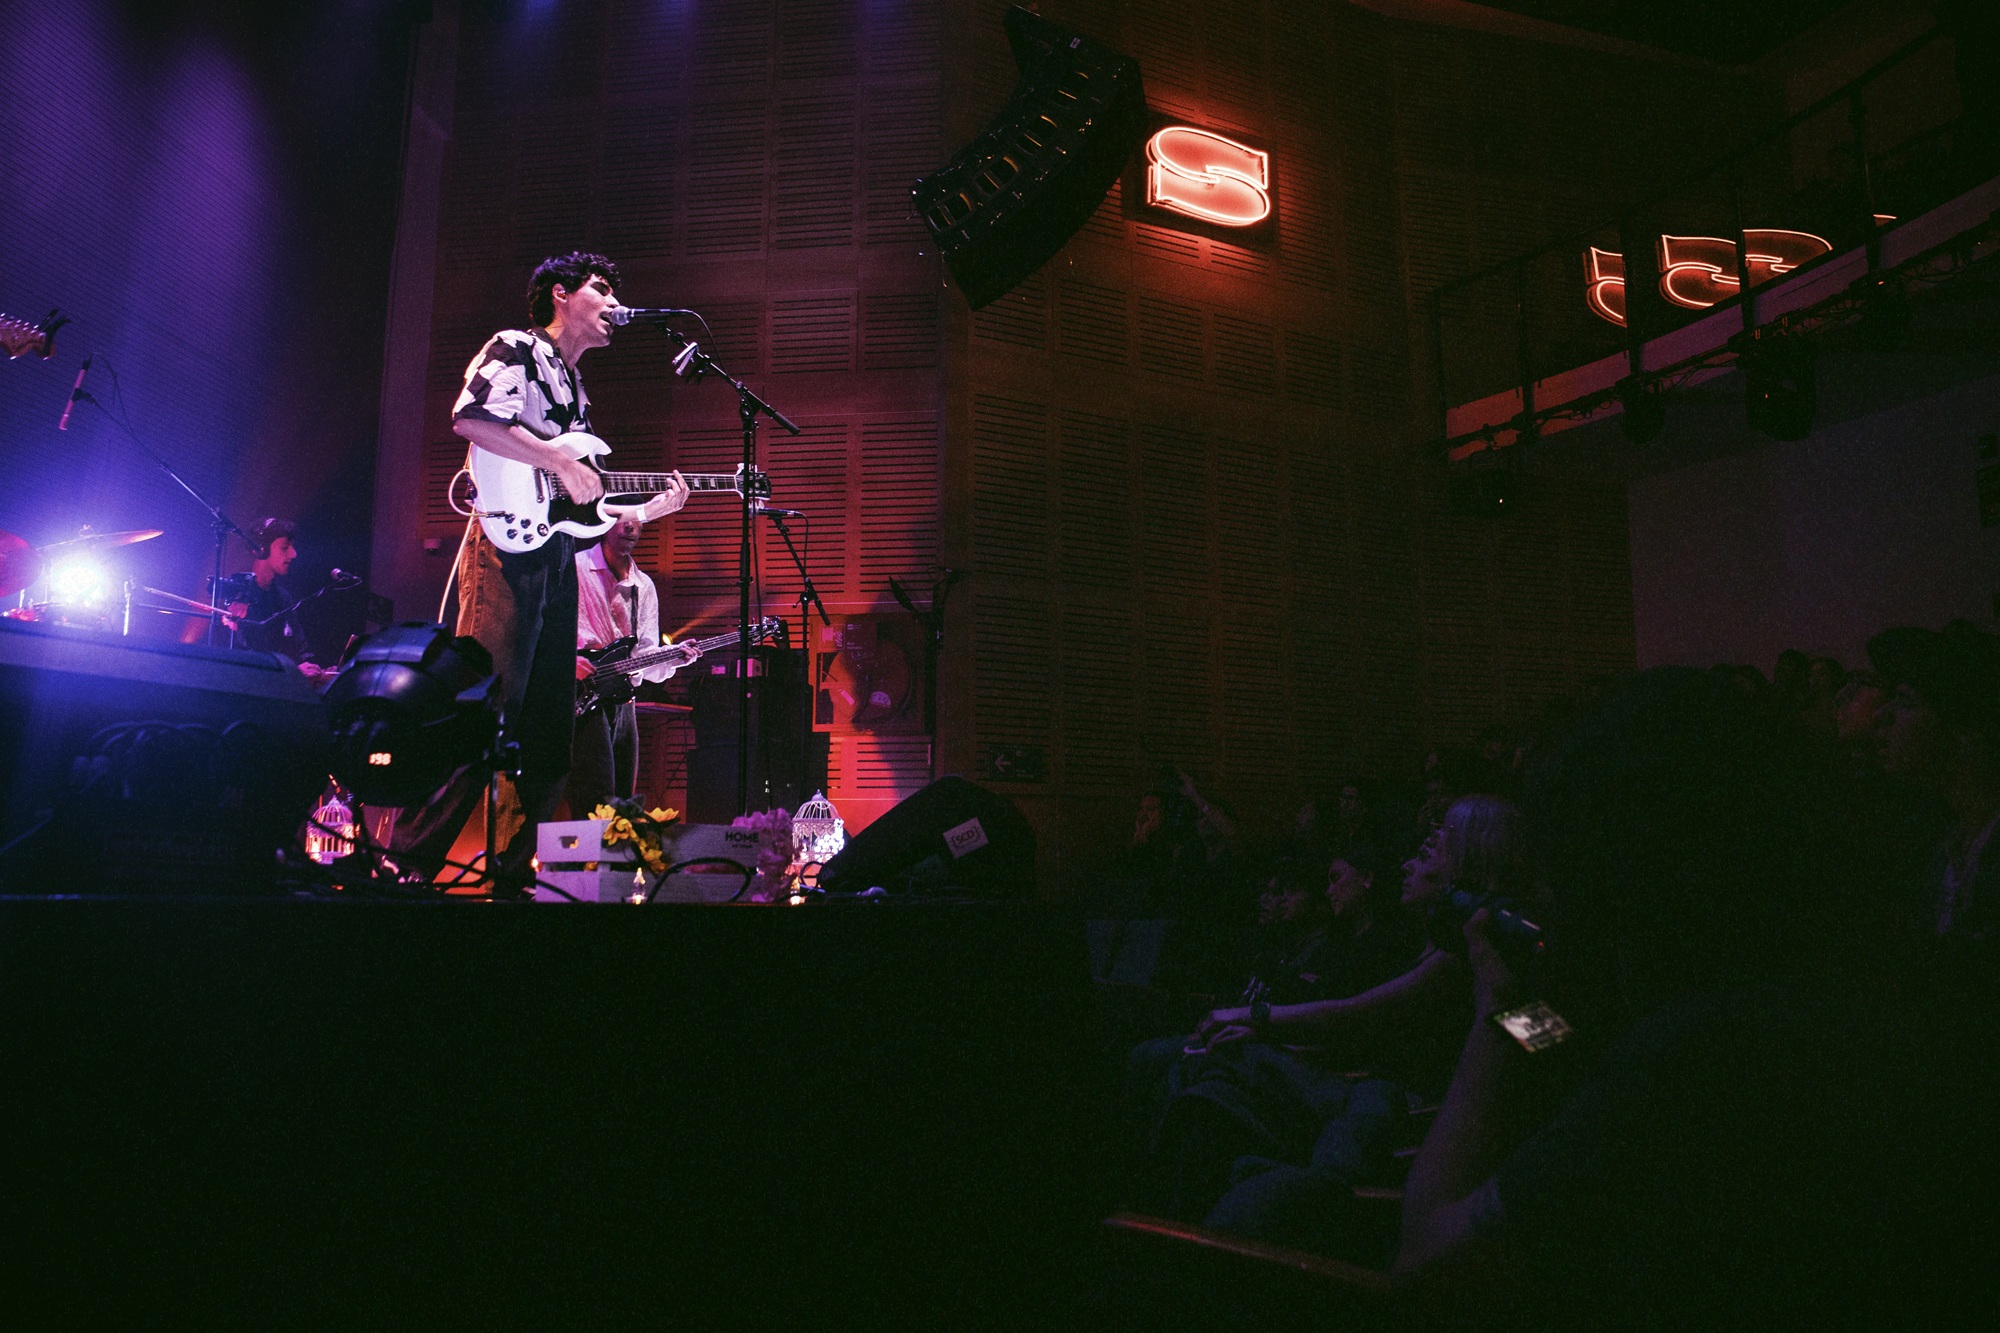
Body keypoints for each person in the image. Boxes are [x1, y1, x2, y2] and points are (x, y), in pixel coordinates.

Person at [1391, 668, 1982, 1328]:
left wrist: (1494, 1007)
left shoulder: (1700, 1053)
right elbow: (1570, 1049)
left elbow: (1427, 1260)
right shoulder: (1886, 981)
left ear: (1633, 866)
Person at [388, 251, 687, 889]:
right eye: (601, 289)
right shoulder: (516, 348)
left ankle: (514, 872)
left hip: (553, 559)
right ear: (560, 294)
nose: (613, 304)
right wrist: (554, 456)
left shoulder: (576, 390)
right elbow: (472, 418)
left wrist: (647, 509)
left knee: (554, 729)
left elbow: (576, 506)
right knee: (486, 708)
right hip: (502, 551)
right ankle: (405, 865)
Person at [568, 513, 674, 812]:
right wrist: (567, 661)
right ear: (601, 519)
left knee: (623, 802)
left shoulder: (644, 585)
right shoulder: (575, 568)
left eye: (637, 519)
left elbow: (643, 657)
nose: (630, 526)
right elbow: (545, 627)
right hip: (580, 695)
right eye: (621, 518)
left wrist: (676, 656)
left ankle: (615, 860)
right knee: (594, 798)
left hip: (623, 700)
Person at [219, 517, 306, 657]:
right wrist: (294, 667)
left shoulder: (284, 598)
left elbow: (298, 645)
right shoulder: (236, 594)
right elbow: (246, 652)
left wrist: (310, 666)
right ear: (261, 549)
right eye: (284, 547)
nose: (293, 554)